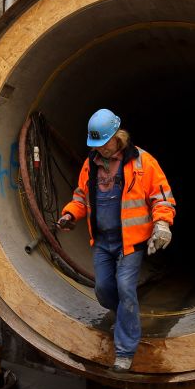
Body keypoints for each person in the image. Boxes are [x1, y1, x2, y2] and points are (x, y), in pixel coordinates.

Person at [57, 108, 176, 372]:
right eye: (97, 145)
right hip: (102, 241)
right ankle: (125, 316)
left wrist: (162, 224)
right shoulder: (91, 164)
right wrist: (69, 214)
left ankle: (124, 351)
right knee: (103, 290)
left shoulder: (143, 162)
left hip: (130, 242)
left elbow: (162, 196)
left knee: (126, 290)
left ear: (118, 136)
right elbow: (80, 196)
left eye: (106, 143)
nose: (103, 150)